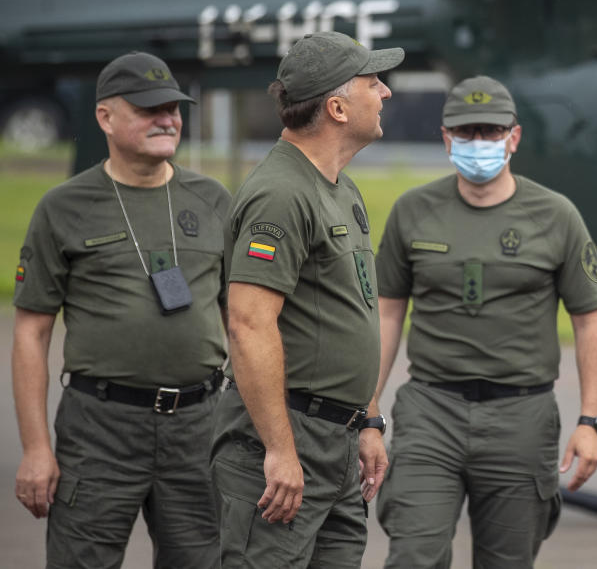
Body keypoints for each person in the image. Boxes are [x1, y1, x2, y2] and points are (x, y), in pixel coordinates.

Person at [371, 75, 597, 568]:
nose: (478, 143)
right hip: (430, 411)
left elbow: (590, 320)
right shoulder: (412, 211)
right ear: (445, 138)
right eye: (465, 133)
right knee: (412, 554)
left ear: (514, 137)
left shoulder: (555, 215)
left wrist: (591, 421)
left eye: (490, 131)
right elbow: (387, 312)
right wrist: (368, 410)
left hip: (520, 417)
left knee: (508, 560)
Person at [12, 51, 231, 568]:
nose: (167, 119)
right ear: (105, 117)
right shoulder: (63, 207)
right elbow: (30, 334)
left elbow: (245, 322)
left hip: (199, 426)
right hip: (100, 429)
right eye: (149, 108)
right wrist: (36, 447)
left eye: (173, 108)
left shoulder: (213, 200)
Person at [211, 31, 403, 567]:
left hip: (337, 441)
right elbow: (249, 325)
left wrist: (367, 420)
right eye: (373, 83)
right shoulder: (282, 192)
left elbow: (350, 310)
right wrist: (279, 449)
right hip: (289, 437)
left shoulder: (338, 185)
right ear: (338, 107)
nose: (385, 92)